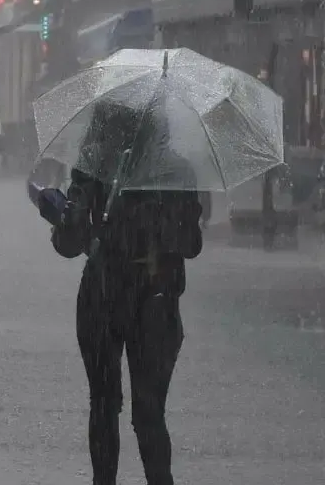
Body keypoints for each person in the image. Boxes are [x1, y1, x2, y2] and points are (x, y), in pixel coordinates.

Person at [47, 101, 204, 485]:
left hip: (109, 297)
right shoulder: (175, 171)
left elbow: (70, 245)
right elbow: (191, 245)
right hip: (152, 301)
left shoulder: (97, 167)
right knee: (147, 413)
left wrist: (67, 220)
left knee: (106, 406)